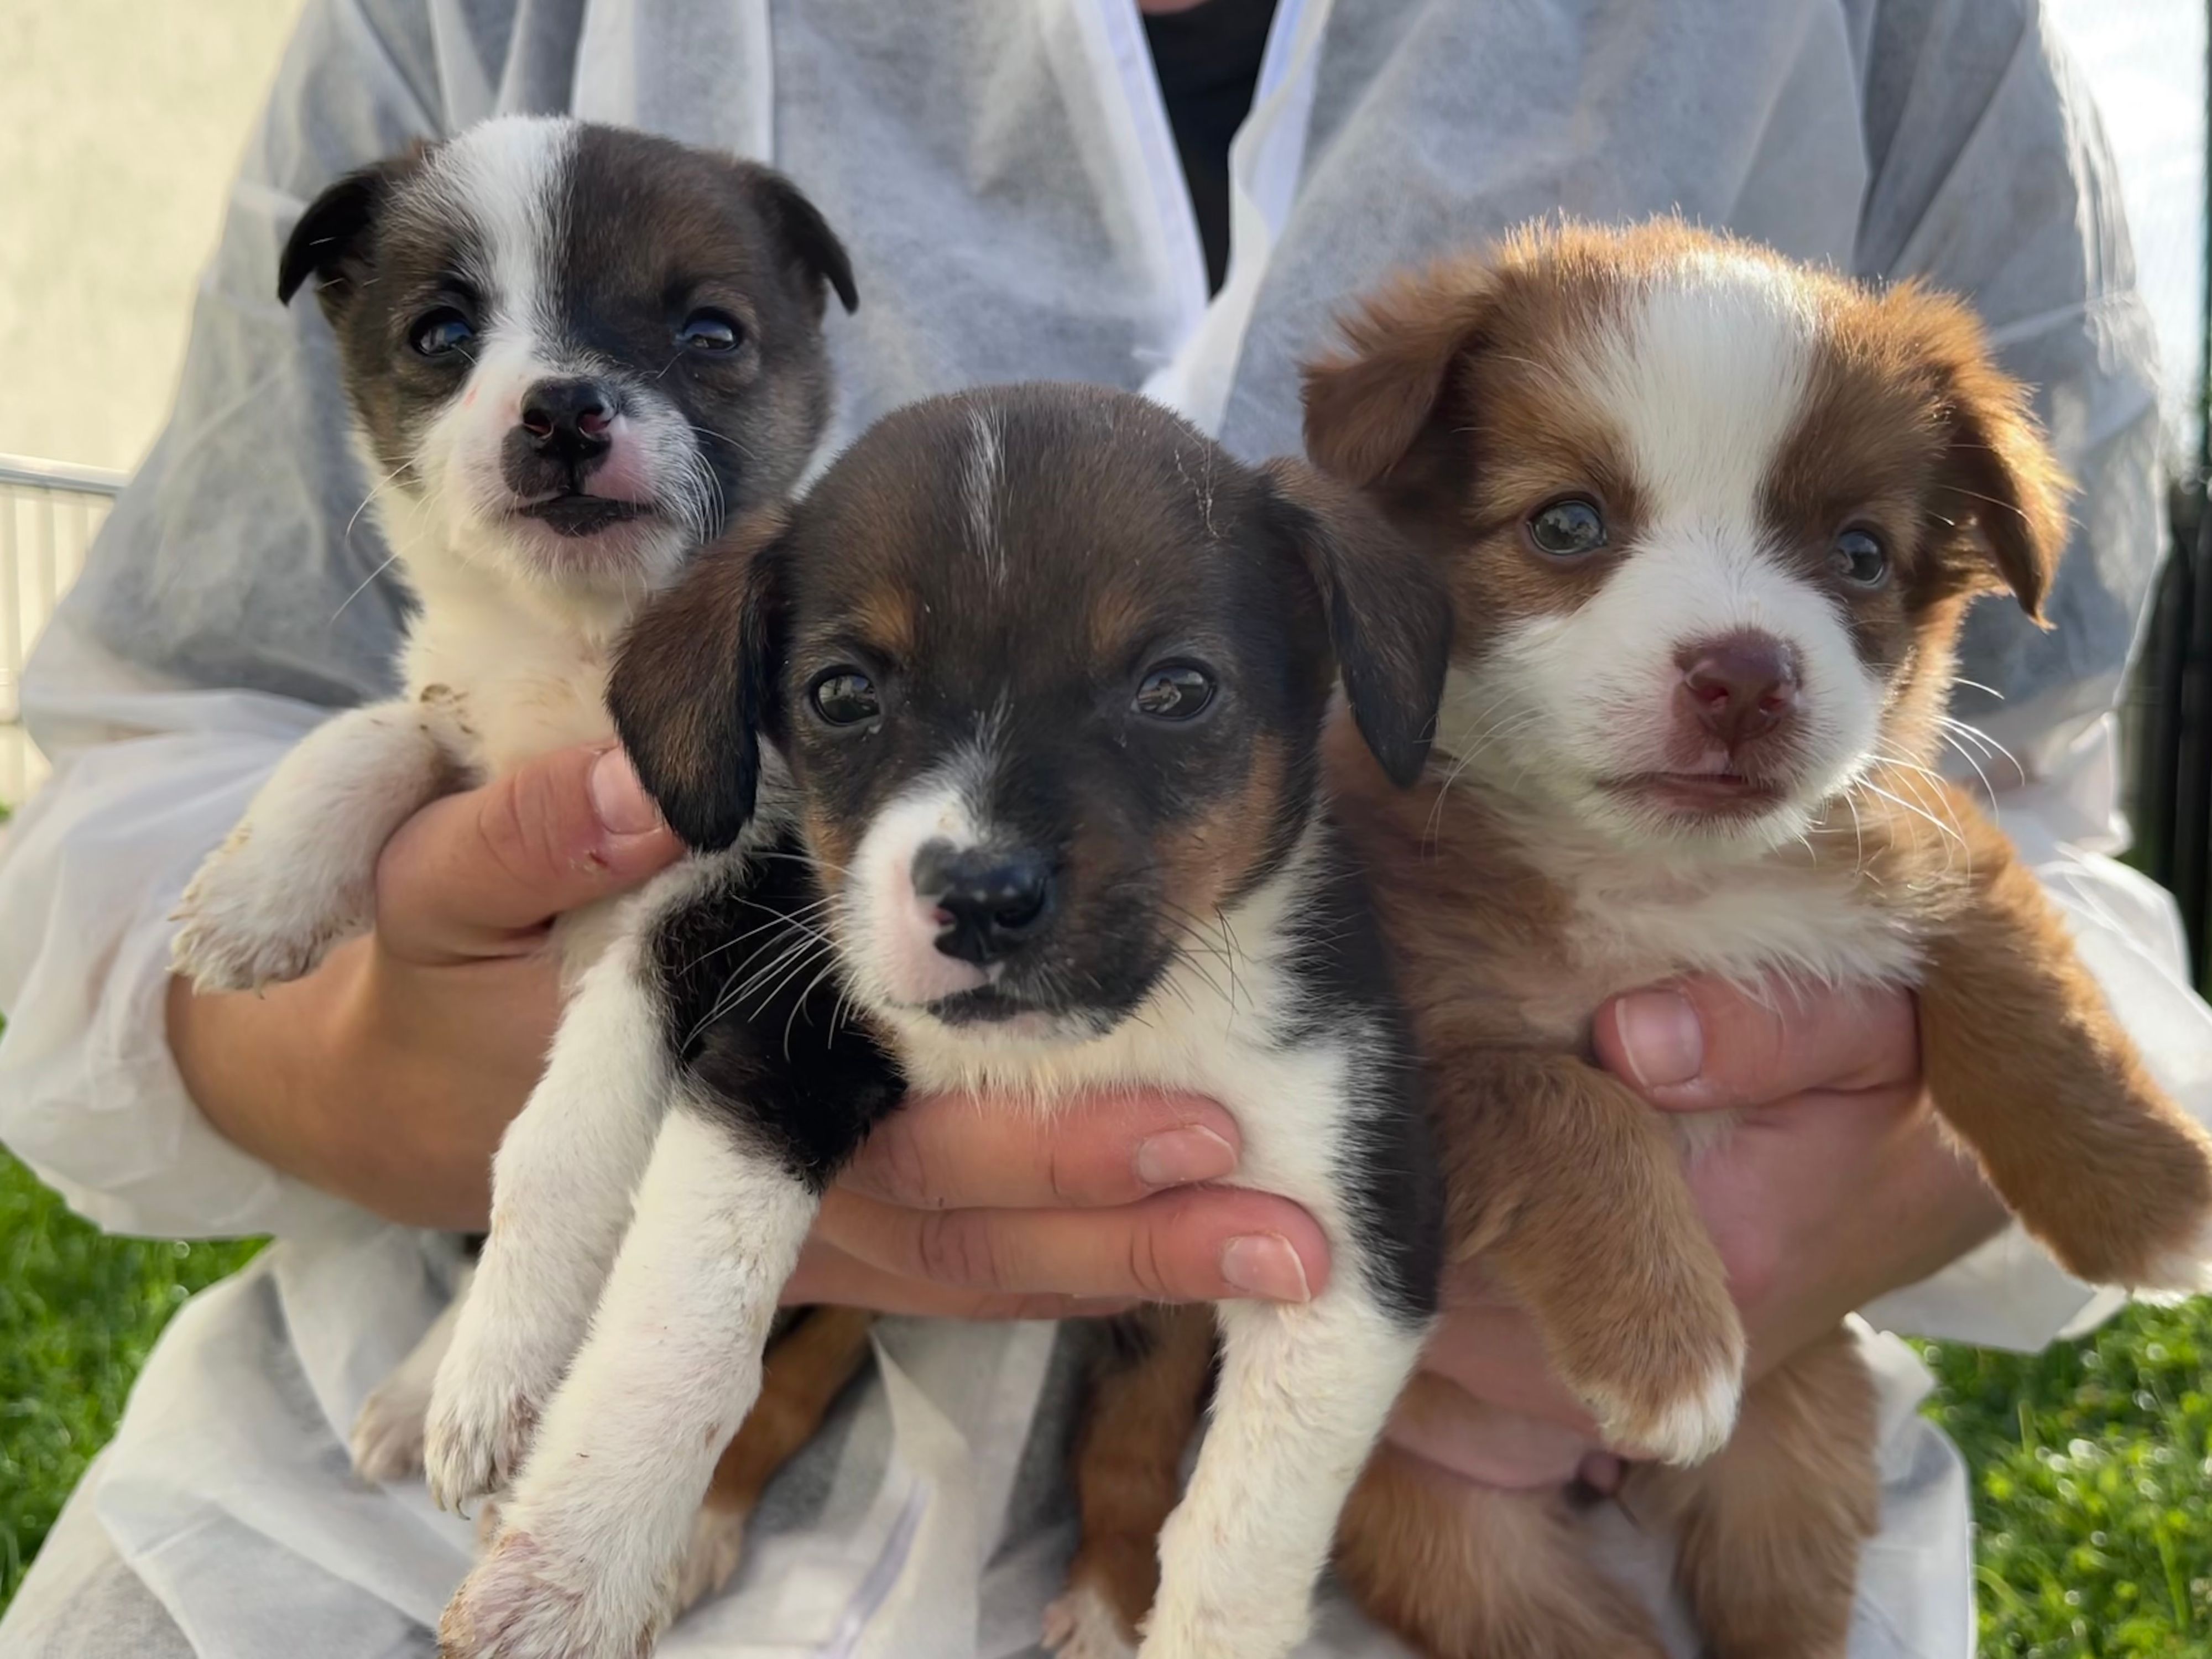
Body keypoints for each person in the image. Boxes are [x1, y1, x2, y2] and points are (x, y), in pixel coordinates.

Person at [1, 1, 2205, 1655]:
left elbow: (2046, 869)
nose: (1733, 646)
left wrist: (1890, 1179)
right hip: (350, 1550)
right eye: (1565, 529)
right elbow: (139, 792)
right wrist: (398, 1077)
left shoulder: (1910, 42)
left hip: (1501, 1515)